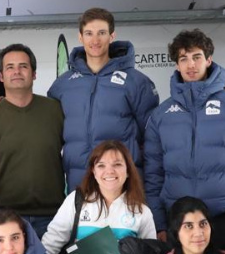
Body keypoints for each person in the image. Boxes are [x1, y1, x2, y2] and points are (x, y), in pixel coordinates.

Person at [144, 29, 225, 249]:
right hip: (178, 225)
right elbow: (153, 173)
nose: (190, 64)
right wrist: (159, 221)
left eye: (196, 57)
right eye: (184, 58)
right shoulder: (161, 115)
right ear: (176, 64)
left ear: (209, 60)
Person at [47, 7, 159, 189]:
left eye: (102, 33)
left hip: (123, 186)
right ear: (80, 37)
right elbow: (48, 129)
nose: (95, 40)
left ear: (112, 36)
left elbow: (152, 139)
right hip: (80, 184)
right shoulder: (63, 84)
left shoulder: (136, 82)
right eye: (89, 33)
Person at [0, 44, 65, 238]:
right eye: (10, 67)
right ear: (1, 76)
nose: (17, 71)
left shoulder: (55, 111)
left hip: (53, 219)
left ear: (34, 74)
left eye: (23, 66)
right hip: (4, 220)